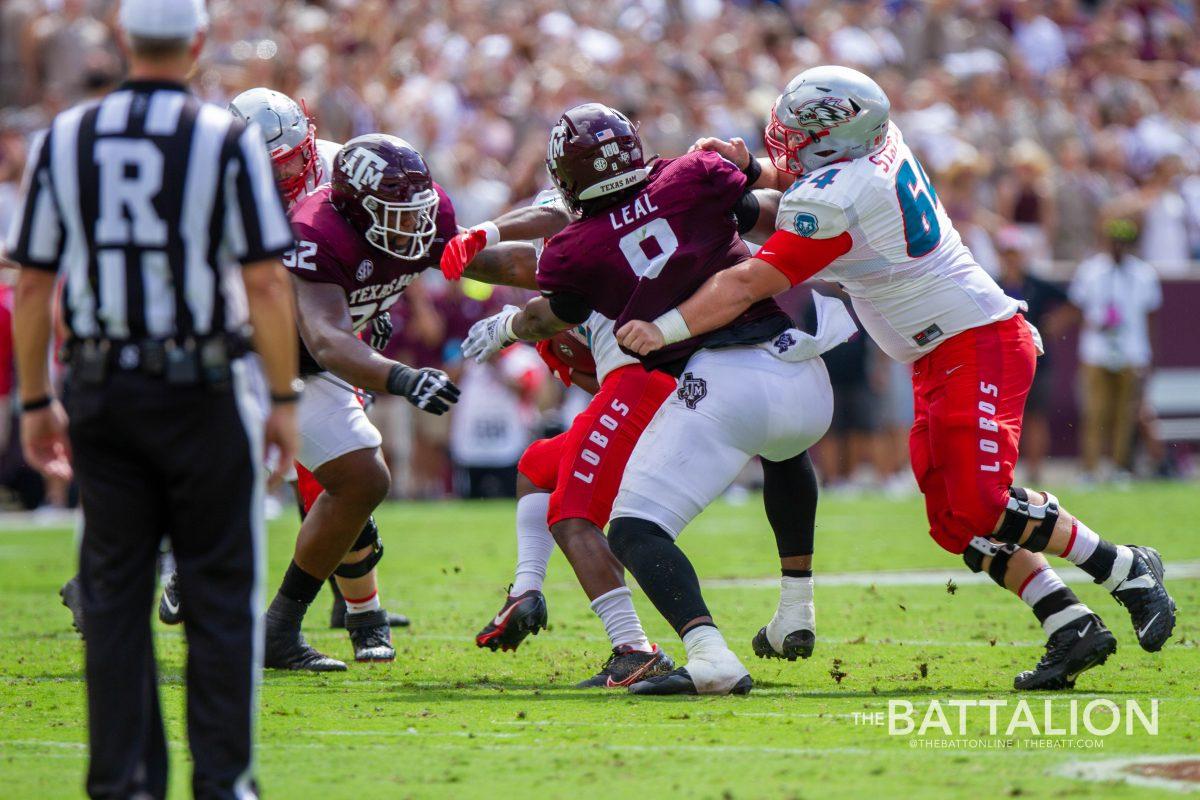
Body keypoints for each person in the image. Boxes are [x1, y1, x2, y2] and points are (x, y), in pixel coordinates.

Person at [619, 65, 1177, 691]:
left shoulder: (840, 193)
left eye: (799, 130)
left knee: (979, 503)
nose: (786, 138)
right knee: (953, 522)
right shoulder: (871, 149)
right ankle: (1067, 623)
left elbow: (751, 278)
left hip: (978, 340)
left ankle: (1124, 566)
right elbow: (799, 187)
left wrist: (663, 327)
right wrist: (749, 172)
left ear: (834, 138)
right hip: (936, 353)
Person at [6, 0, 299, 796]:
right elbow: (266, 280)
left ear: (126, 42)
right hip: (203, 384)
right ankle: (223, 782)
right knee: (219, 595)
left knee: (115, 594)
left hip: (102, 385)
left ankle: (124, 783)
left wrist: (35, 401)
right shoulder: (224, 138)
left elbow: (33, 284)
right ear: (199, 44)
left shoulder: (65, 138)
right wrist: (281, 395)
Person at [462, 103, 854, 696]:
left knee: (633, 528)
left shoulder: (577, 247)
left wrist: (508, 321)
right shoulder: (691, 173)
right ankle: (796, 609)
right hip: (802, 369)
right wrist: (747, 178)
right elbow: (770, 214)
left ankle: (706, 655)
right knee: (784, 454)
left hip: (722, 381)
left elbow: (550, 304)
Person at [265, 133, 537, 670]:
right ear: (355, 208)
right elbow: (326, 337)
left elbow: (483, 265)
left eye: (419, 212)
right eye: (398, 213)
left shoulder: (422, 215)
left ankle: (278, 630)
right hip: (248, 364)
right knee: (205, 491)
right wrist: (404, 378)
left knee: (365, 477)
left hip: (309, 370)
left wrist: (571, 269)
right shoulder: (315, 231)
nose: (415, 224)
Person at [157, 86, 410, 642]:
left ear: (308, 137)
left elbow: (382, 244)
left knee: (352, 471)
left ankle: (349, 610)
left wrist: (370, 305)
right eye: (266, 166)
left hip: (317, 337)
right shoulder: (211, 189)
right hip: (238, 331)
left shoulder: (347, 168)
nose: (282, 174)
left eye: (288, 158)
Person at [449, 191, 677, 688]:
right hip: (639, 386)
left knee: (572, 514)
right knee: (538, 464)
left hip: (645, 383)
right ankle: (526, 589)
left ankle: (635, 648)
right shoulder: (628, 234)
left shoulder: (591, 247)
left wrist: (452, 246)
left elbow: (525, 276)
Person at [1068, 217, 1162, 479]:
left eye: (1124, 242)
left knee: (1125, 415)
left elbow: (1151, 317)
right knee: (1095, 412)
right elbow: (1078, 307)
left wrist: (1150, 356)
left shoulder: (1144, 274)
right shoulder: (1090, 271)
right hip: (1096, 351)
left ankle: (1120, 467)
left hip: (1132, 351)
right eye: (1115, 241)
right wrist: (1096, 322)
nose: (1119, 247)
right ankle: (1089, 469)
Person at [994, 226, 1072, 483]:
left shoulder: (1036, 284)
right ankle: (1004, 471)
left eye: (1014, 253)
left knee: (1036, 417)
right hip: (1001, 364)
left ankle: (1035, 471)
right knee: (1002, 420)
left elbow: (1072, 303)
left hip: (1036, 360)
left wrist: (1053, 324)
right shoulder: (993, 284)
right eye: (1007, 253)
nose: (1011, 258)